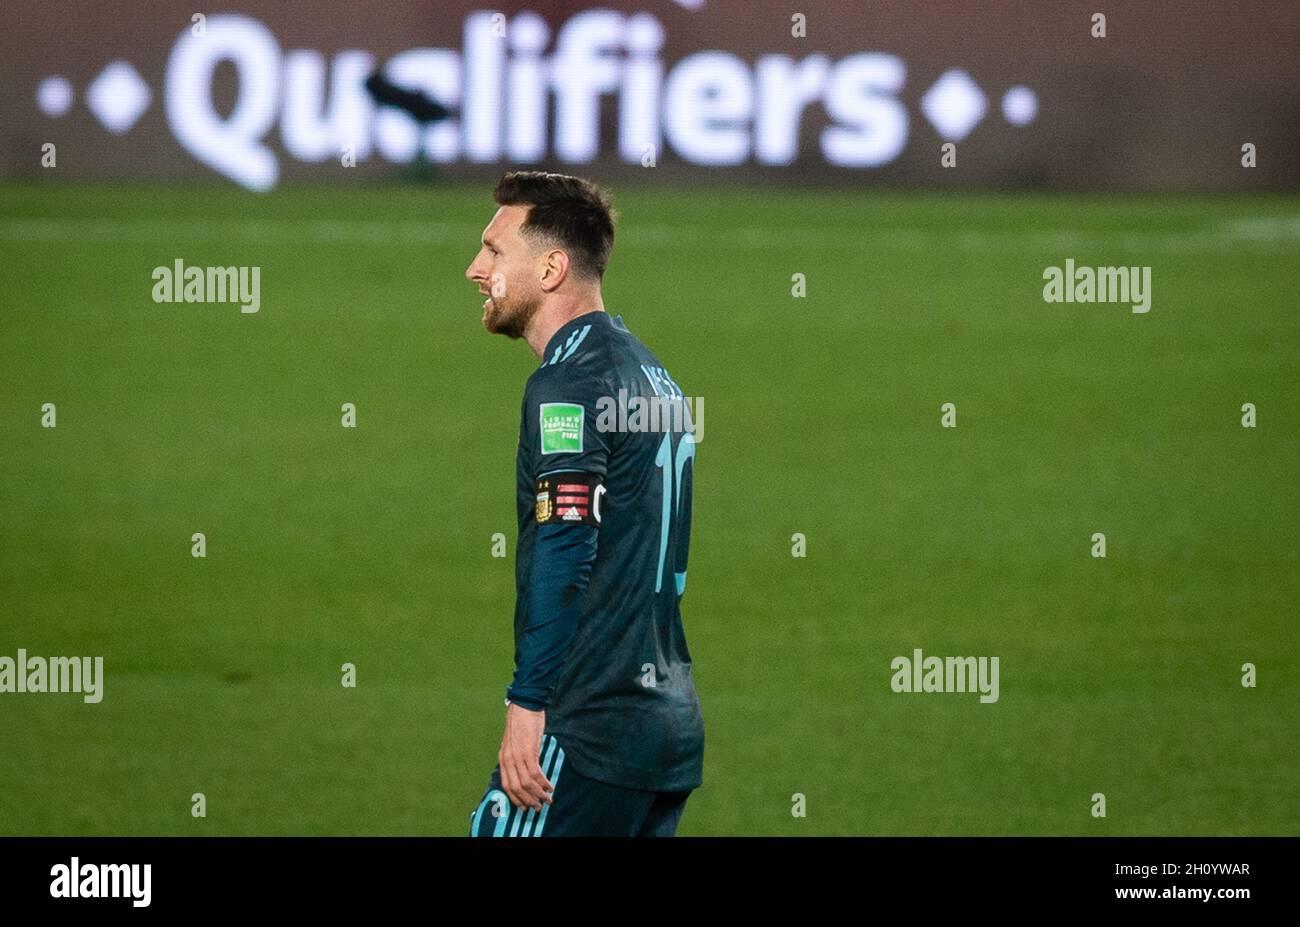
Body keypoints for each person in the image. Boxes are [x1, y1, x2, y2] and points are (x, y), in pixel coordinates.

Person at [464, 171, 704, 836]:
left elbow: (568, 542)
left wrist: (527, 700)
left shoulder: (568, 382)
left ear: (550, 267)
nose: (474, 269)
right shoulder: (652, 375)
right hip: (666, 727)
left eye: (492, 250)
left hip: (587, 728)